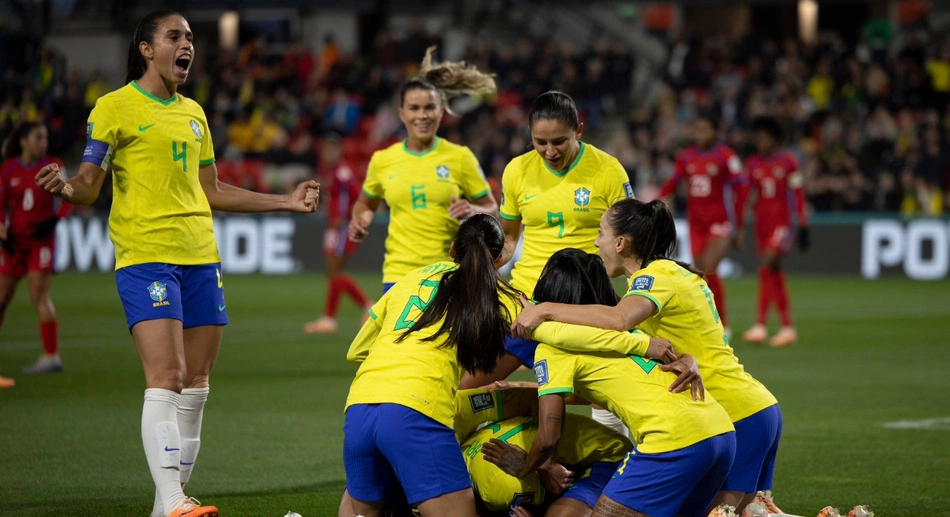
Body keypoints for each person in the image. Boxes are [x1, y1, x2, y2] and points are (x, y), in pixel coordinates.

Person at [34, 10, 319, 517]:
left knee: (198, 384)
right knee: (167, 375)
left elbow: (212, 191)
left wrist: (285, 201)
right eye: (174, 36)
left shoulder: (194, 113)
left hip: (200, 257)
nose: (186, 44)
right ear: (146, 48)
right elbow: (88, 184)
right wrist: (65, 187)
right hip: (146, 257)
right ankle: (174, 501)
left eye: (190, 38)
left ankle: (167, 505)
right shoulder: (113, 107)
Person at [511, 200, 782, 514]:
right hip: (740, 409)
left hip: (729, 411)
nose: (596, 241)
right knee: (745, 513)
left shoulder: (654, 278)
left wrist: (543, 311)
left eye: (601, 233)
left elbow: (618, 320)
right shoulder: (669, 273)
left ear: (621, 242)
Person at [484, 247, 735, 517]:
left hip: (672, 441)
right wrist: (689, 359)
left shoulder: (553, 347)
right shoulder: (626, 329)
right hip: (720, 431)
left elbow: (549, 437)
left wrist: (523, 468)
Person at [342, 214, 520, 517]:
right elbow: (536, 328)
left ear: (452, 249)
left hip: (359, 409)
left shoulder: (411, 279)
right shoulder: (499, 296)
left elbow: (357, 351)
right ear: (501, 259)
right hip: (416, 411)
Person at [497, 90, 635, 435]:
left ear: (580, 131)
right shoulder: (517, 170)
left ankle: (611, 463)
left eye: (559, 141)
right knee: (468, 381)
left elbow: (630, 240)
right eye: (539, 142)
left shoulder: (607, 170)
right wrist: (482, 269)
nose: (549, 151)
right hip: (526, 301)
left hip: (586, 304)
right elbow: (510, 237)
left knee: (602, 393)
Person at [348, 47, 498, 294]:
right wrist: (361, 219)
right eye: (414, 108)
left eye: (429, 108)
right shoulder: (383, 160)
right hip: (398, 275)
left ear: (441, 112)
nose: (422, 115)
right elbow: (365, 204)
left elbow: (491, 208)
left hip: (447, 273)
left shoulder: (460, 157)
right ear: (402, 113)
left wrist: (473, 210)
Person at [658, 113, 744, 336]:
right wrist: (658, 203)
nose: (701, 134)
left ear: (715, 132)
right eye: (698, 129)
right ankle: (708, 321)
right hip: (696, 225)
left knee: (709, 270)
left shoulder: (725, 156)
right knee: (701, 276)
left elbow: (741, 189)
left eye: (706, 129)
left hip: (720, 223)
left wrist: (739, 225)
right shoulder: (687, 158)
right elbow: (672, 183)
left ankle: (723, 325)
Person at [0, 121, 71, 374]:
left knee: (39, 296)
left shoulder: (53, 166)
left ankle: (51, 356)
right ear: (23, 141)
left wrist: (54, 219)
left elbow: (70, 197)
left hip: (41, 242)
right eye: (39, 137)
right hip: (14, 243)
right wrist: (2, 231)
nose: (44, 142)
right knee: (2, 298)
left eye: (45, 138)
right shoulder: (8, 169)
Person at [741, 116, 808, 347]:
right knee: (775, 275)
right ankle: (787, 328)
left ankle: (760, 325)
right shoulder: (754, 164)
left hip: (783, 224)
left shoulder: (788, 162)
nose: (760, 142)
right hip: (763, 225)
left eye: (764, 137)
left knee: (766, 267)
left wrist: (803, 223)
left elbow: (798, 194)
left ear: (774, 139)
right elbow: (747, 193)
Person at [304, 134, 372, 334]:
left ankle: (360, 308)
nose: (327, 153)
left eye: (330, 149)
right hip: (335, 226)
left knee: (335, 270)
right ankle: (334, 317)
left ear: (338, 151)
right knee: (333, 272)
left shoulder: (342, 172)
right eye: (325, 150)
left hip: (341, 227)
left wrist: (344, 216)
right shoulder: (333, 171)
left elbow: (355, 194)